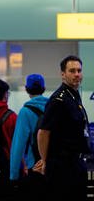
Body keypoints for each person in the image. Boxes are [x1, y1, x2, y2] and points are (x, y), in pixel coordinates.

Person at [37, 55, 90, 201]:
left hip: (77, 164)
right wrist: (45, 160)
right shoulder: (59, 99)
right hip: (62, 167)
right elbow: (43, 132)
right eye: (72, 71)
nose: (77, 74)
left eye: (79, 70)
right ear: (63, 74)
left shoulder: (73, 96)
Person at [10, 74, 48, 200]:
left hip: (35, 167)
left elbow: (18, 146)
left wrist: (14, 176)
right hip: (53, 166)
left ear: (26, 89)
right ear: (44, 88)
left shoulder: (25, 112)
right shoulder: (52, 108)